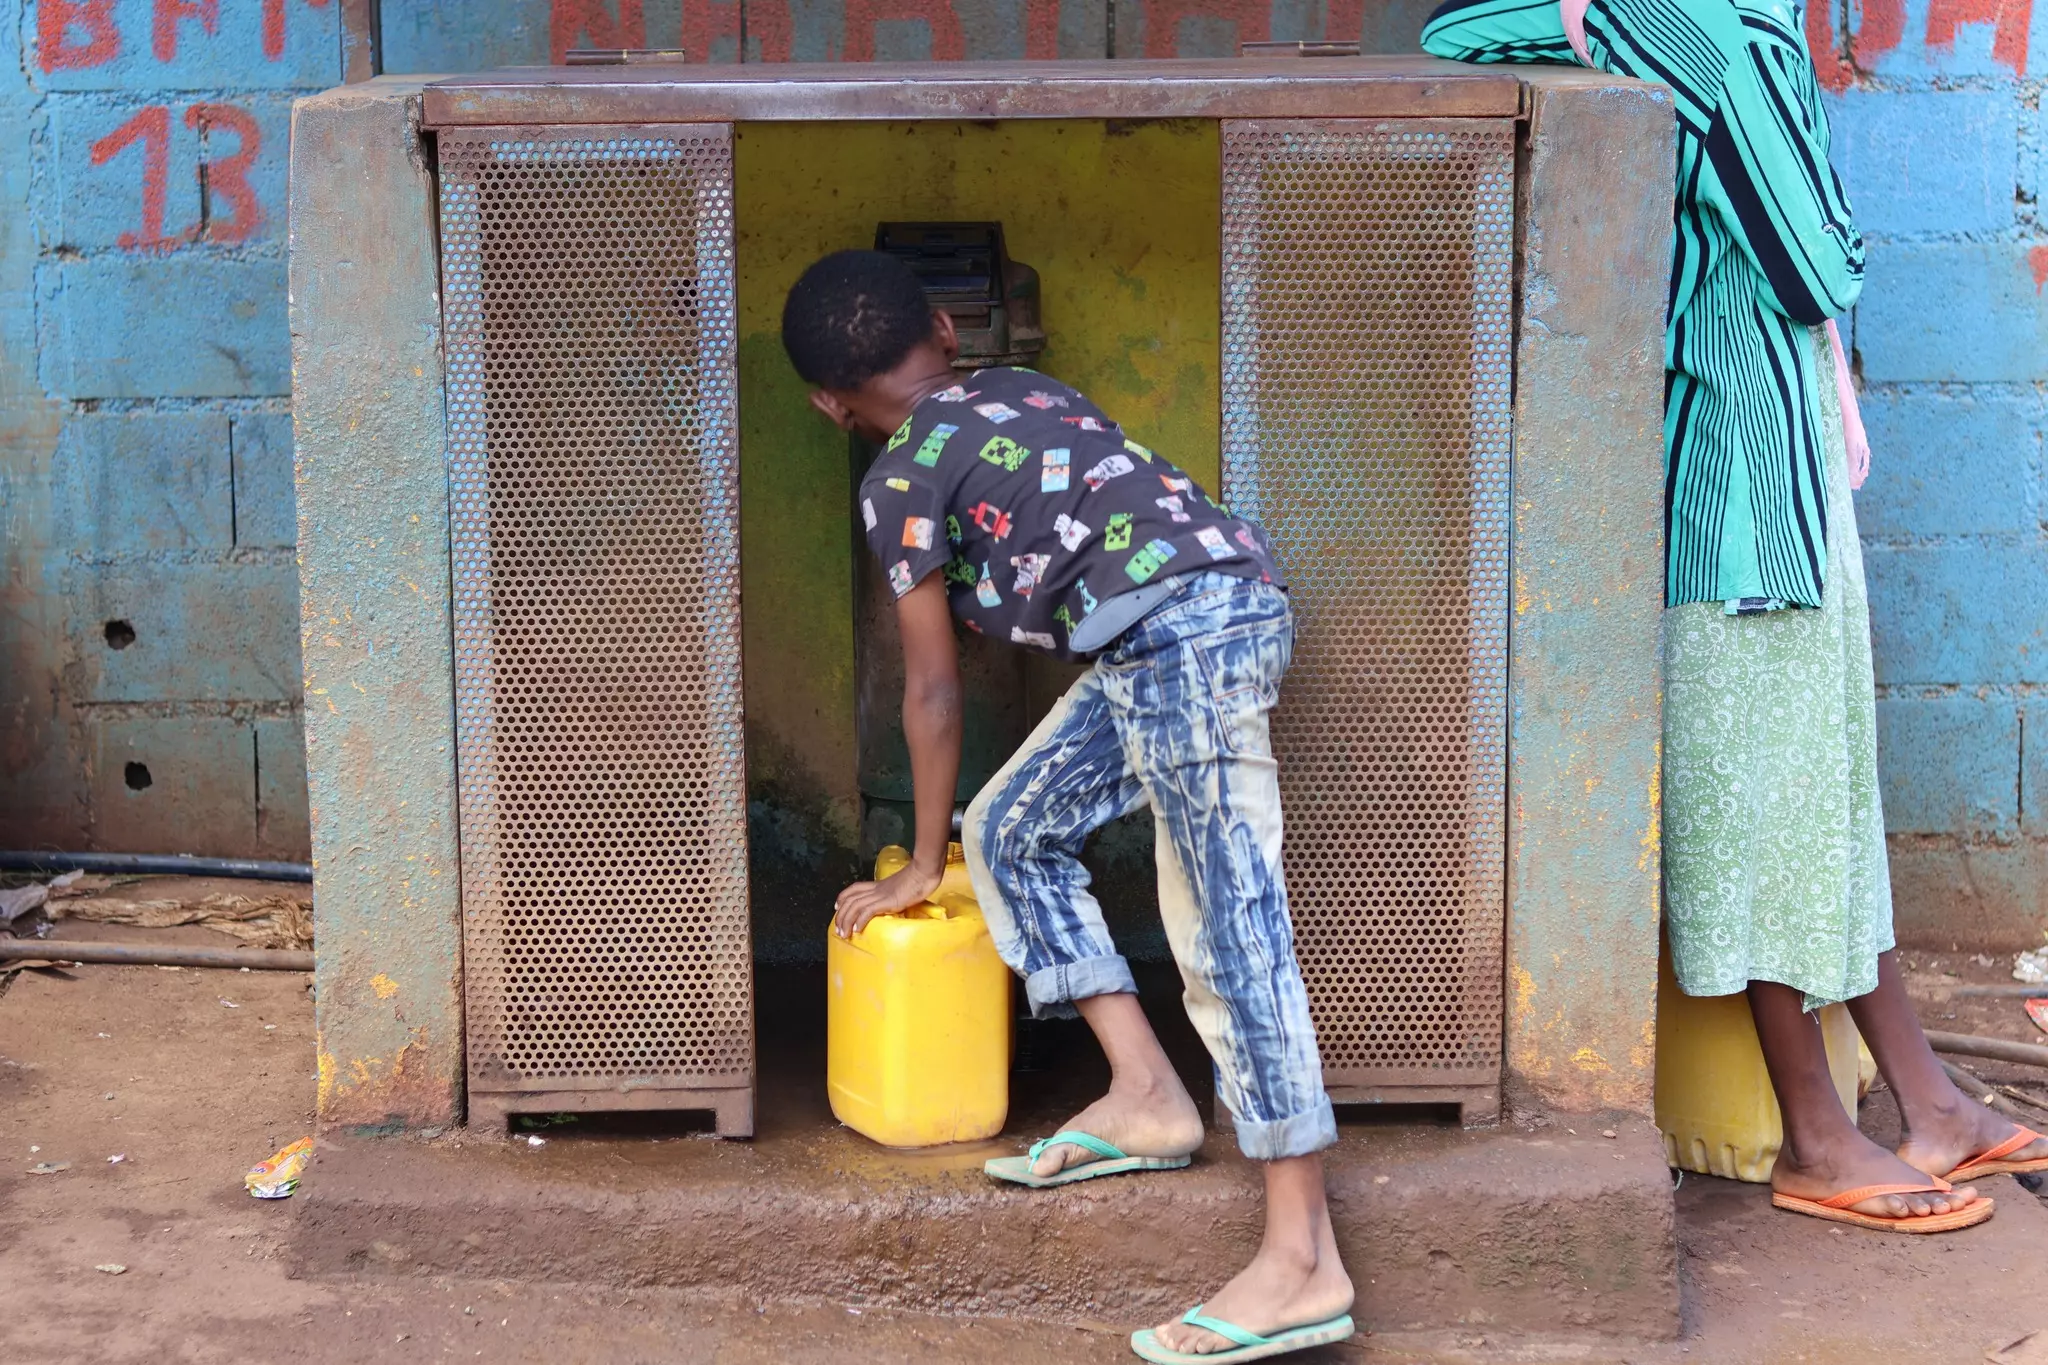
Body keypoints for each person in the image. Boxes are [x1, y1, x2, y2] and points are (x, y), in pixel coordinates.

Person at [1422, 0, 2048, 1231]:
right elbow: (1816, 265)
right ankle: (1814, 1136)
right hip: (1746, 493)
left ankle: (1927, 1100)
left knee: (1818, 790)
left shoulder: (1691, 22)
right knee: (1767, 807)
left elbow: (1456, 35)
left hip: (1767, 465)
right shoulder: (1718, 29)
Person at [783, 248, 1356, 1362]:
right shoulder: (1026, 390)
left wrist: (914, 861)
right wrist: (956, 839)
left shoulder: (895, 479)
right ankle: (1147, 1095)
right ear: (948, 331)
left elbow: (932, 685)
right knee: (1013, 831)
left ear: (826, 404)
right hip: (1191, 621)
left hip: (1180, 640)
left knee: (1230, 930)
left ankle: (1302, 1259)